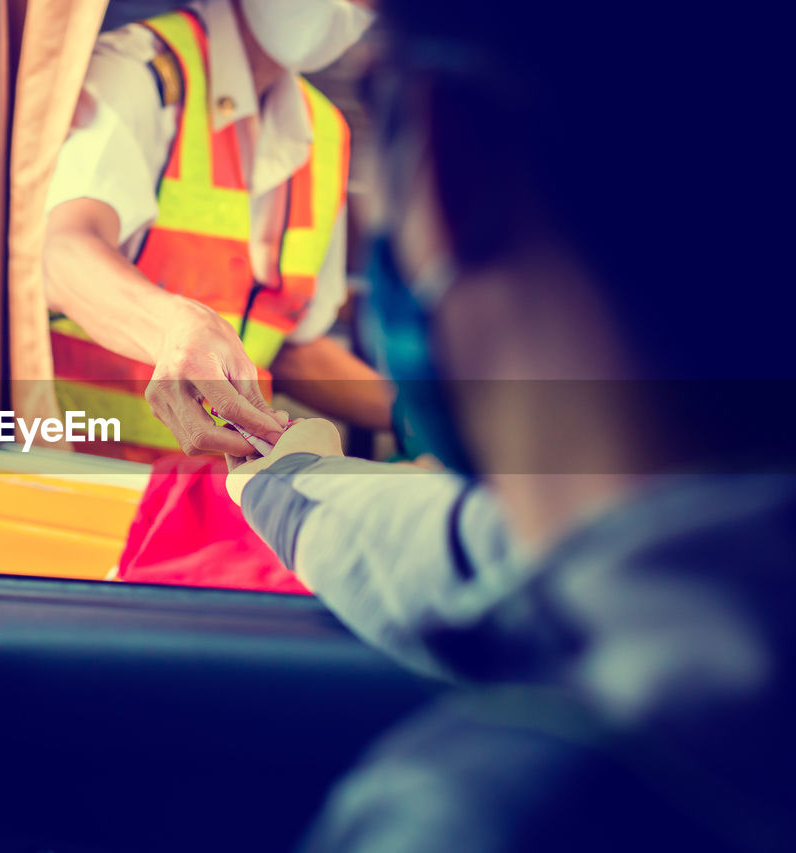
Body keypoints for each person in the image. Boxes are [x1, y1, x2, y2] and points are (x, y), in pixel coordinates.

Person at [226, 0, 794, 848]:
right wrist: (283, 479)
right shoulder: (728, 573)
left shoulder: (495, 812)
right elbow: (455, 553)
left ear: (448, 153)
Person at [43, 0, 394, 463]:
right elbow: (57, 255)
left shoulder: (326, 133)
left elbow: (288, 347)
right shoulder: (139, 73)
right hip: (76, 472)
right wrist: (177, 327)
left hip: (214, 503)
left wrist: (418, 418)